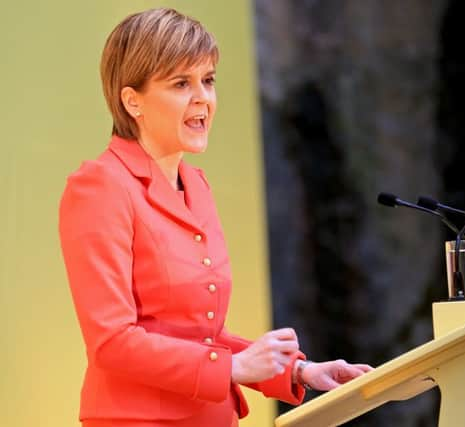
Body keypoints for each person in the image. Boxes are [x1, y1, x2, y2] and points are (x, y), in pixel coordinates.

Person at [59, 8, 372, 427]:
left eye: (207, 80)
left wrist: (298, 370)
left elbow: (197, 336)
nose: (202, 98)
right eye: (180, 83)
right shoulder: (100, 186)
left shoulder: (196, 185)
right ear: (132, 100)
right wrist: (231, 369)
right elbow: (112, 342)